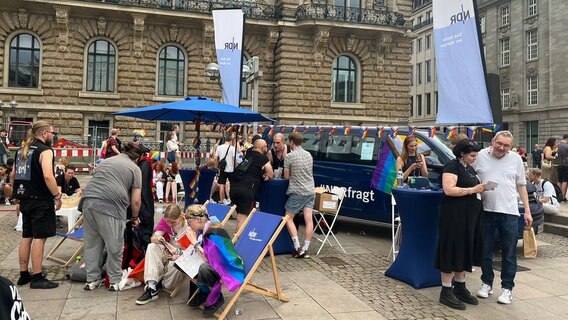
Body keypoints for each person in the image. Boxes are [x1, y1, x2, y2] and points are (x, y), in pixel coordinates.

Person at [472, 131, 533, 305]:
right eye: (499, 143)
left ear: (511, 146)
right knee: (485, 250)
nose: (502, 148)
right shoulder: (480, 156)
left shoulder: (515, 159)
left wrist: (527, 210)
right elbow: (470, 177)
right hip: (486, 210)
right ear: (492, 141)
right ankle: (486, 282)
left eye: (506, 145)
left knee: (508, 252)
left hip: (510, 212)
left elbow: (521, 185)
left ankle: (507, 288)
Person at [80, 141, 143, 292]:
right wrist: (135, 218)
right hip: (111, 205)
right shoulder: (135, 168)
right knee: (114, 244)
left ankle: (92, 280)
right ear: (138, 157)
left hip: (88, 201)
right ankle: (115, 280)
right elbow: (136, 200)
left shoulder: (106, 161)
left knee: (92, 243)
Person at [436, 139, 486, 310]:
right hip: (454, 216)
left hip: (469, 216)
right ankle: (446, 290)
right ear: (462, 153)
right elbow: (448, 189)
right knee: (452, 248)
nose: (475, 158)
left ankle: (460, 286)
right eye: (472, 155)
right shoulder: (452, 166)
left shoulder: (468, 168)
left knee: (464, 249)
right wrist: (473, 190)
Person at [11, 121, 61, 289]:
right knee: (40, 237)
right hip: (41, 199)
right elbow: (48, 176)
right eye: (52, 133)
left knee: (27, 236)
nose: (53, 136)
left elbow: (13, 174)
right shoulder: (45, 151)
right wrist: (57, 195)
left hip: (25, 198)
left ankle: (24, 274)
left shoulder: (22, 149)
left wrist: (16, 195)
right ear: (44, 133)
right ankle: (38, 276)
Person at [184, 205, 245, 317]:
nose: (188, 224)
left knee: (203, 268)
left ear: (197, 220)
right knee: (183, 263)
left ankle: (215, 297)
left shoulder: (214, 233)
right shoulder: (204, 229)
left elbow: (212, 260)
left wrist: (194, 242)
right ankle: (205, 291)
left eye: (189, 221)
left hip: (229, 268)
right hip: (217, 263)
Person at [135, 204, 188, 305]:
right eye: (168, 221)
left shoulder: (188, 226)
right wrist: (157, 238)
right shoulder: (166, 221)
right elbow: (154, 237)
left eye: (173, 222)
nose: (170, 224)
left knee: (176, 264)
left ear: (180, 217)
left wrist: (176, 255)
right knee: (152, 246)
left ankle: (161, 283)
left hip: (182, 255)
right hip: (169, 251)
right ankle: (151, 287)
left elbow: (192, 252)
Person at [283, 132, 315, 258]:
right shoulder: (309, 155)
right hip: (310, 190)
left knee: (288, 218)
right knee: (309, 220)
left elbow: (286, 176)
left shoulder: (289, 156)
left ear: (291, 142)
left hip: (297, 191)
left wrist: (293, 175)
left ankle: (297, 247)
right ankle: (306, 249)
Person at [230, 139, 273, 230]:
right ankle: (238, 242)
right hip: (247, 190)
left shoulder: (248, 155)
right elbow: (270, 172)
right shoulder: (263, 158)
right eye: (266, 146)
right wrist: (266, 173)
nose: (267, 148)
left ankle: (241, 238)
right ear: (262, 148)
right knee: (242, 219)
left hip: (234, 188)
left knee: (240, 217)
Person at [215, 134, 237, 205]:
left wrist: (216, 166)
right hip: (231, 169)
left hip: (222, 169)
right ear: (231, 141)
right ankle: (230, 199)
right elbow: (234, 159)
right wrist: (235, 167)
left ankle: (222, 200)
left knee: (222, 184)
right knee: (231, 185)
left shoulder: (219, 147)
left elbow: (215, 158)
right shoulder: (232, 148)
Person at [557, 134, 568, 202]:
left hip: (559, 165)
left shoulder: (558, 145)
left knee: (559, 180)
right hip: (566, 165)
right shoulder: (567, 146)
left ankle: (558, 195)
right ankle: (563, 197)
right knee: (565, 181)